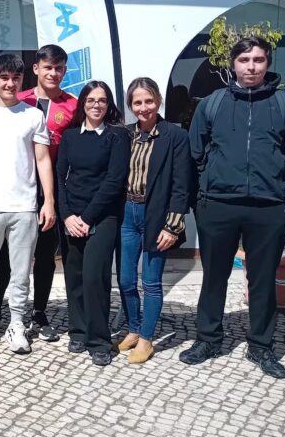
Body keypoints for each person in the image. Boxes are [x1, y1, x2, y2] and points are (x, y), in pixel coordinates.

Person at [180, 36, 285, 379]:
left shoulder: (284, 105)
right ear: (233, 64)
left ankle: (261, 346)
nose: (251, 67)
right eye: (244, 60)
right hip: (218, 206)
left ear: (268, 63)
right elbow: (195, 153)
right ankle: (208, 339)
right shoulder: (212, 104)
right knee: (214, 276)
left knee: (263, 279)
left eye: (258, 60)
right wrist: (202, 198)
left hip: (269, 207)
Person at [0, 53, 56, 354]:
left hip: (24, 207)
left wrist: (49, 201)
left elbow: (43, 160)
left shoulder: (33, 115)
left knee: (21, 273)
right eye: (4, 77)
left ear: (22, 80)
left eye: (15, 78)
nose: (10, 83)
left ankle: (17, 323)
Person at [0, 44, 77, 342]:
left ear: (64, 71)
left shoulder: (74, 105)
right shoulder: (18, 97)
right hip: (17, 184)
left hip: (51, 188)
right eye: (48, 67)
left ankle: (39, 312)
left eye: (59, 68)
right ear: (36, 69)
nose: (53, 73)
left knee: (44, 254)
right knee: (5, 252)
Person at [115, 77, 191, 364]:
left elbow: (182, 185)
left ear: (158, 101)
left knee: (151, 281)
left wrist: (173, 226)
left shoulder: (175, 136)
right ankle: (134, 329)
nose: (143, 107)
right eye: (137, 102)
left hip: (156, 214)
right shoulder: (125, 134)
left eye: (149, 101)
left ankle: (146, 339)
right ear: (130, 105)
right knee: (125, 279)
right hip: (127, 212)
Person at [56, 80, 130, 366]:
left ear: (108, 104)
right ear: (83, 104)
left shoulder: (117, 136)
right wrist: (67, 215)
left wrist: (87, 218)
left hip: (102, 216)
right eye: (91, 100)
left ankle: (99, 340)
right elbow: (60, 177)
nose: (96, 105)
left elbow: (114, 181)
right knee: (74, 276)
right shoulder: (70, 136)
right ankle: (78, 330)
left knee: (94, 278)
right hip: (72, 217)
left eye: (102, 100)